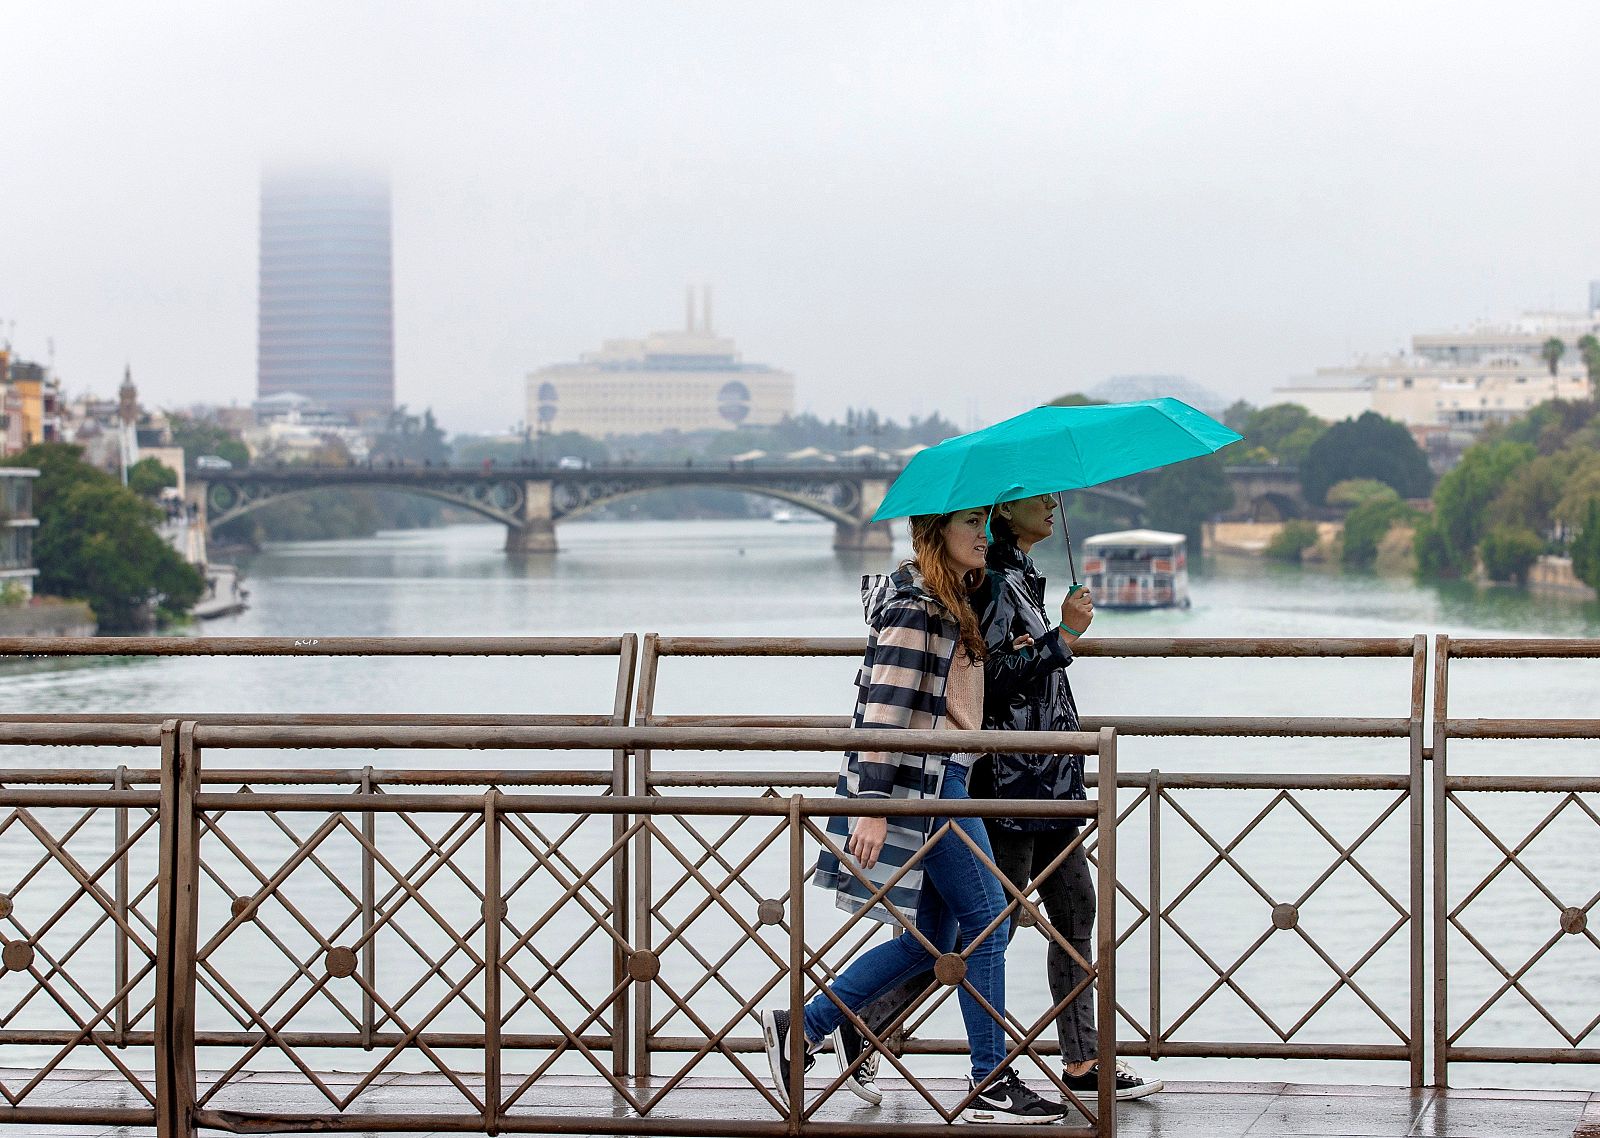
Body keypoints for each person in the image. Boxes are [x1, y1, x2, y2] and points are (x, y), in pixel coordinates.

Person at [833, 493, 1161, 1106]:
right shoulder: (975, 589)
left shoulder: (1005, 582)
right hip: (1003, 781)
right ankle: (899, 1039)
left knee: (1065, 913)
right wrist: (1063, 636)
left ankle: (1079, 1059)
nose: (1054, 507)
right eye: (1041, 498)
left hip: (1044, 775)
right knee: (985, 928)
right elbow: (968, 685)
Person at [761, 506, 1068, 1125]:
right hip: (928, 786)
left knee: (936, 941)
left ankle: (805, 1026)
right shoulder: (916, 603)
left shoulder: (951, 597)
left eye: (985, 525)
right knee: (988, 925)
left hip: (946, 776)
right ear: (935, 535)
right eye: (971, 526)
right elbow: (885, 705)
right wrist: (875, 804)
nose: (984, 537)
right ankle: (989, 1079)